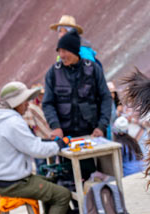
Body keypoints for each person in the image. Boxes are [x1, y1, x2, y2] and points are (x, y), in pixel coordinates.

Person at [0, 82, 72, 214]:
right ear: (15, 102)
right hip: (15, 182)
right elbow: (35, 150)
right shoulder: (12, 122)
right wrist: (59, 146)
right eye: (24, 100)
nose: (27, 104)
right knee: (62, 195)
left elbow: (27, 144)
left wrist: (49, 143)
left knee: (50, 182)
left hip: (2, 179)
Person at [42, 31, 113, 181]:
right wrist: (55, 126)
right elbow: (48, 103)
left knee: (95, 177)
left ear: (74, 51)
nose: (62, 55)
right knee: (69, 177)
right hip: (66, 139)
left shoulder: (93, 69)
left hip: (91, 136)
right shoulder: (53, 73)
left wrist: (101, 126)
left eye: (65, 51)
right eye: (59, 51)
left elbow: (106, 98)